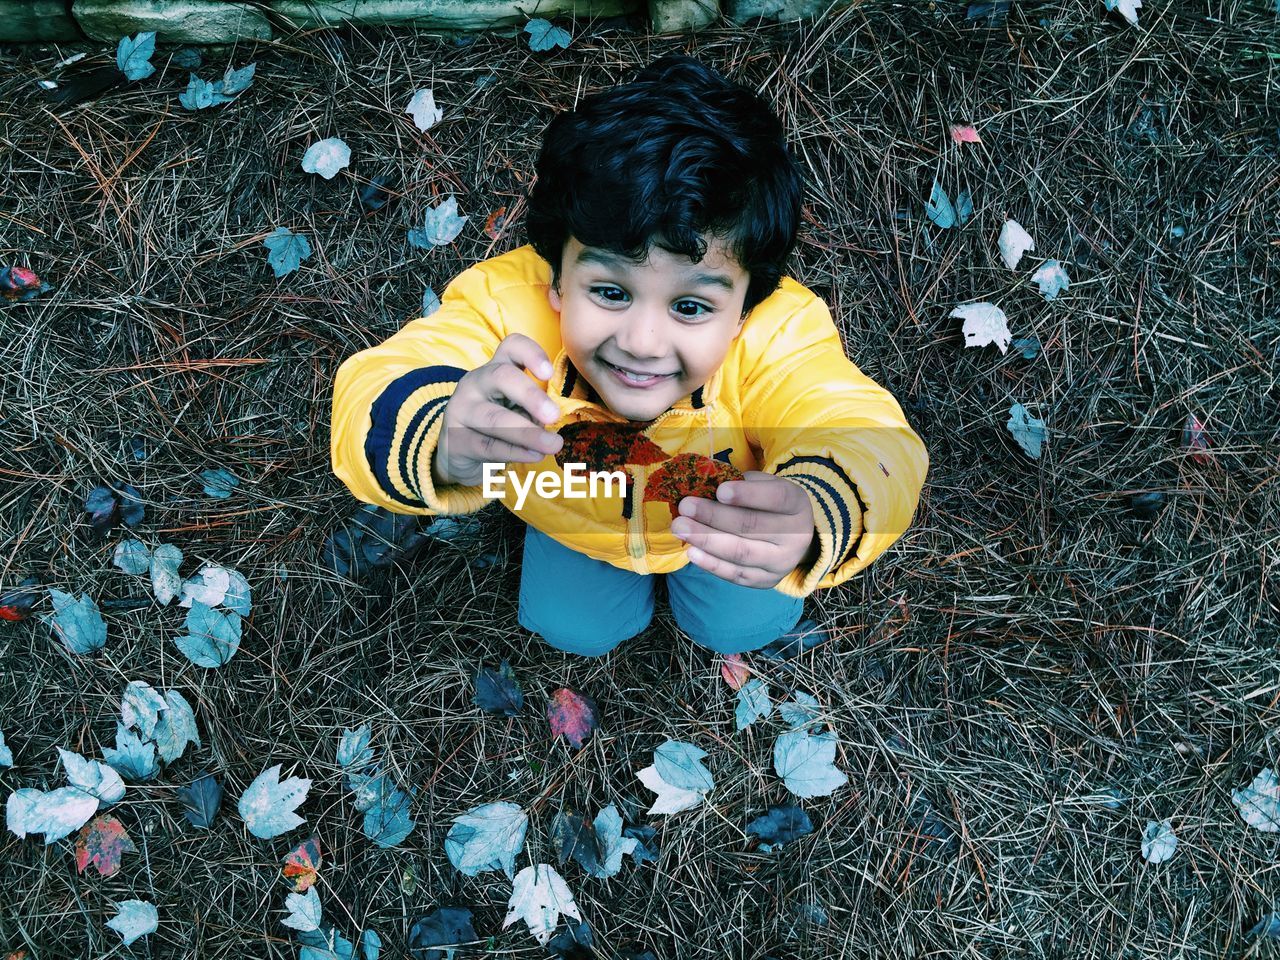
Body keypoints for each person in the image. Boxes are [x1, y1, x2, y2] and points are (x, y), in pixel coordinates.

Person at [330, 54, 928, 658]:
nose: (642, 342)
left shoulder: (777, 334)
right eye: (611, 292)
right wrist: (441, 440)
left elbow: (857, 426)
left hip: (722, 528)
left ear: (745, 307)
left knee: (737, 627)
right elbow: (380, 382)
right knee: (576, 631)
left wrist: (817, 507)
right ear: (557, 277)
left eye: (691, 308)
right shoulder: (509, 307)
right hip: (571, 525)